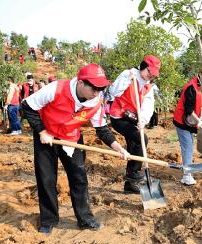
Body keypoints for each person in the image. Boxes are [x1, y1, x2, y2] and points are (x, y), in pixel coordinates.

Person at [22, 64, 131, 234]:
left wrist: (118, 148)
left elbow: (101, 129)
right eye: (94, 87)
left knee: (79, 178)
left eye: (101, 88)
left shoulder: (97, 101)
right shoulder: (56, 89)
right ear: (81, 83)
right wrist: (42, 131)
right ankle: (48, 220)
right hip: (47, 137)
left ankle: (85, 219)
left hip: (71, 139)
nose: (97, 92)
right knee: (46, 179)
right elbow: (28, 106)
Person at [108, 55, 161, 194]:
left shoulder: (148, 86)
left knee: (134, 146)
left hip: (133, 118)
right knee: (142, 139)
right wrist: (127, 80)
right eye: (149, 72)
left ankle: (130, 185)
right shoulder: (128, 74)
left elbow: (148, 105)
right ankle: (134, 173)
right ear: (143, 66)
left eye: (153, 74)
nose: (151, 76)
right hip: (119, 116)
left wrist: (143, 120)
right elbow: (113, 92)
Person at [173, 65, 202, 185]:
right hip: (182, 121)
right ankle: (187, 175)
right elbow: (189, 110)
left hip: (189, 122)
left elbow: (199, 105)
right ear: (200, 74)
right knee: (187, 147)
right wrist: (198, 121)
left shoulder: (199, 87)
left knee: (189, 145)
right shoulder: (191, 88)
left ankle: (188, 169)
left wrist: (201, 116)